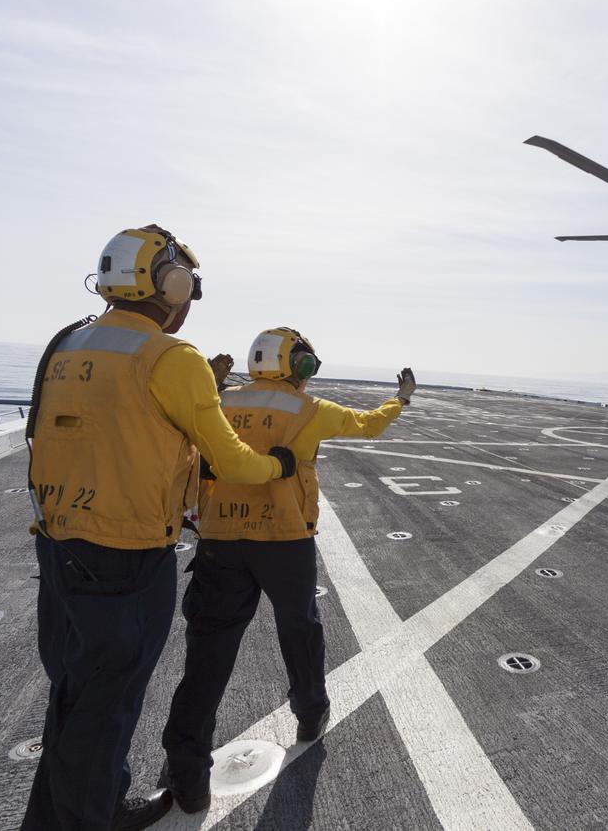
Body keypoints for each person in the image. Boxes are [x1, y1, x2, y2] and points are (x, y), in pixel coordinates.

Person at [22, 226, 298, 831]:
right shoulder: (171, 357)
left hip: (56, 544)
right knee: (106, 706)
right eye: (190, 288)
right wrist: (279, 463)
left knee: (74, 693)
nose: (189, 301)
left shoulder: (66, 342)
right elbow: (232, 462)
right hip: (124, 556)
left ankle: (88, 804)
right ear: (170, 285)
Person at [159, 327, 416, 813]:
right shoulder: (310, 410)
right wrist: (399, 400)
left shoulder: (222, 402)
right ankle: (309, 715)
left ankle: (186, 772)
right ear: (297, 365)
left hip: (221, 542)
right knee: (300, 631)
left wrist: (214, 386)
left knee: (208, 653)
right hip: (285, 540)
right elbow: (368, 426)